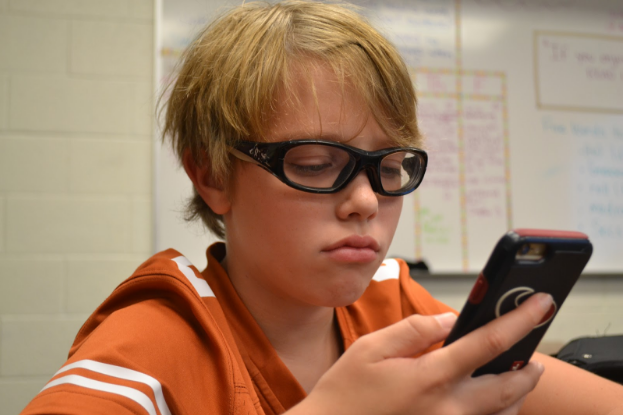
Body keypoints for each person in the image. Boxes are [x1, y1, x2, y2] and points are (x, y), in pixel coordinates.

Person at [21, 1, 623, 414]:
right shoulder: (151, 347)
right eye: (314, 164)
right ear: (210, 174)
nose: (365, 201)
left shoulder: (388, 298)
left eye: (390, 170)